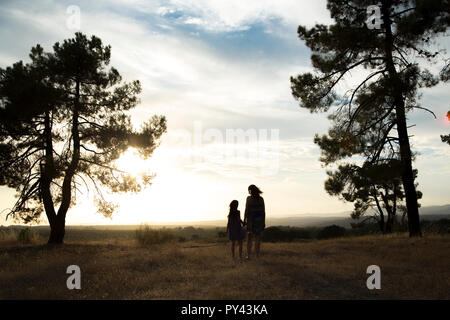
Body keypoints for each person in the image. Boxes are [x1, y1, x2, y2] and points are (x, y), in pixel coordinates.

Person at [244, 185, 265, 259]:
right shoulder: (261, 199)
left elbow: (246, 210)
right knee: (257, 239)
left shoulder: (249, 198)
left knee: (249, 239)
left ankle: (248, 255)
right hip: (259, 220)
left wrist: (244, 220)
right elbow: (263, 211)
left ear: (251, 190)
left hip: (251, 220)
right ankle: (257, 256)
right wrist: (263, 222)